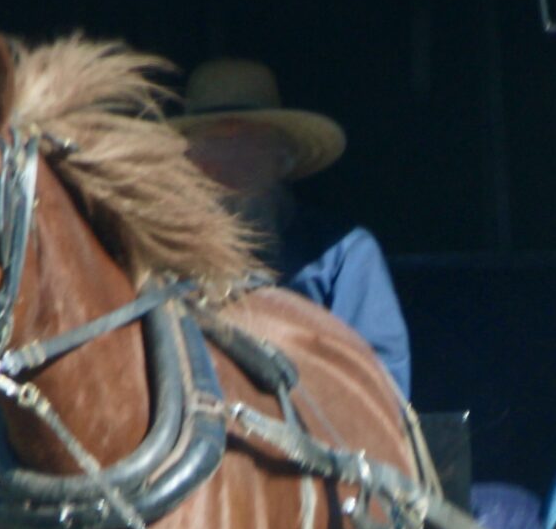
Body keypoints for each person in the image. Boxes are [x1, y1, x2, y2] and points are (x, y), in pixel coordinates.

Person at [169, 59, 412, 400]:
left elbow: (380, 390)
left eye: (248, 143)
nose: (231, 160)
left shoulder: (344, 255)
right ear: (188, 162)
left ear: (283, 158)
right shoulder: (155, 259)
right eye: (214, 144)